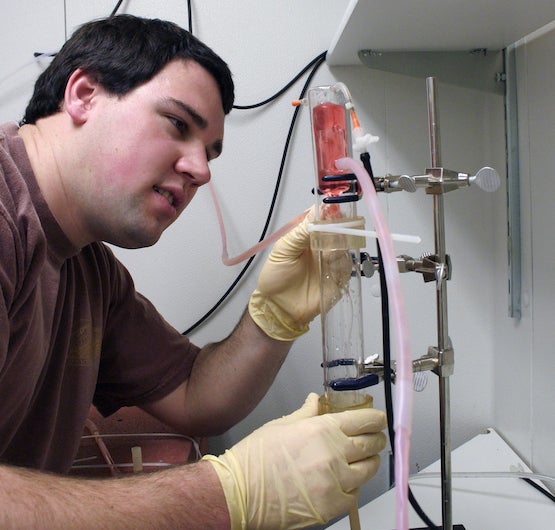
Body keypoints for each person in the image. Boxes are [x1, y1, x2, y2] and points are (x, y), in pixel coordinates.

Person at [0, 14, 387, 529]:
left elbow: (195, 396)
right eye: (178, 125)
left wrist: (273, 318)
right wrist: (227, 494)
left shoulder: (90, 269)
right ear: (84, 94)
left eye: (209, 152)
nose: (201, 170)